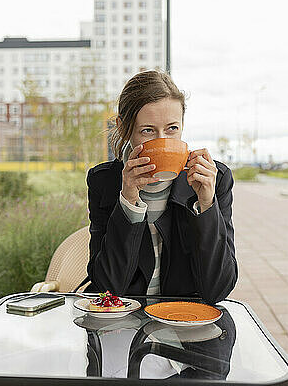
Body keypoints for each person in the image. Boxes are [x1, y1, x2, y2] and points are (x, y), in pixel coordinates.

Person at [85, 70, 237, 304]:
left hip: (185, 321)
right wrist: (128, 201)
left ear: (182, 125)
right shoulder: (103, 181)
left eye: (172, 129)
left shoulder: (213, 179)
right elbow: (107, 288)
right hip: (125, 323)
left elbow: (217, 289)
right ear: (124, 127)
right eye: (148, 130)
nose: (162, 140)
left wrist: (206, 205)